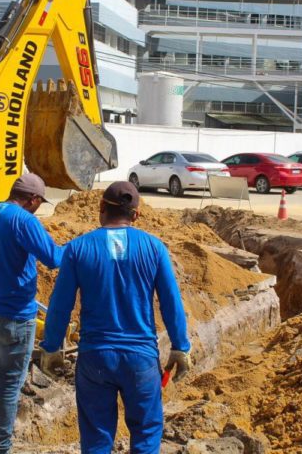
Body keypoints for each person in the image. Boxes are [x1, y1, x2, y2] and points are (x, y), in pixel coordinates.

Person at [39, 181, 192, 454]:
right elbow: (171, 302)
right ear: (135, 215)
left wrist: (51, 347)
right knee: (146, 435)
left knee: (97, 438)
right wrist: (180, 346)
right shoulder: (154, 248)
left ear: (101, 209)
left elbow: (60, 305)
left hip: (96, 358)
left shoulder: (77, 249)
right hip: (141, 361)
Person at [0, 173, 64, 454]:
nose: (39, 207)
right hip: (15, 315)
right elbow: (53, 259)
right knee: (9, 385)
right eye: (39, 202)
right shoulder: (25, 220)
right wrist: (77, 248)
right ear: (32, 199)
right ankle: (0, 448)